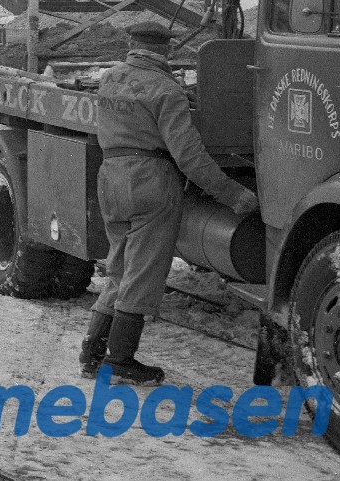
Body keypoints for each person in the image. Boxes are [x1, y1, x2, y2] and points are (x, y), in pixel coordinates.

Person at [79, 20, 260, 384]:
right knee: (143, 273)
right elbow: (189, 156)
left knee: (118, 268)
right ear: (165, 51)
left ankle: (92, 354)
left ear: (133, 43)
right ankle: (120, 360)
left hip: (110, 174)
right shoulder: (166, 90)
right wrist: (234, 196)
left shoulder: (111, 78)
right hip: (149, 180)